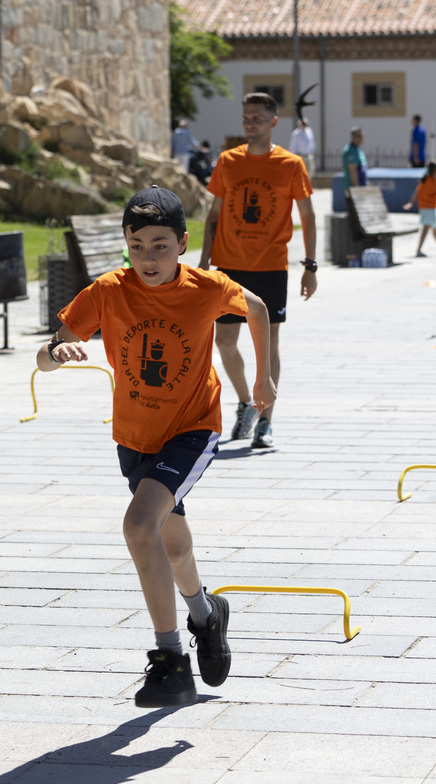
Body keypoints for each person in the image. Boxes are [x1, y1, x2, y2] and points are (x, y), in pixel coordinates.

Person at [40, 185, 276, 707]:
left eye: (161, 246)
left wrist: (262, 379)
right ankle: (206, 615)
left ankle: (170, 659)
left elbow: (256, 308)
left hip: (193, 427)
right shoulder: (107, 290)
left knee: (138, 524)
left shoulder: (206, 287)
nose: (148, 258)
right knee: (172, 542)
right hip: (134, 435)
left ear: (183, 243)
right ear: (126, 242)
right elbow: (44, 353)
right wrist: (58, 353)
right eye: (138, 244)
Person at [198, 92, 317, 449]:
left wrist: (310, 266)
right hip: (229, 265)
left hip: (270, 267)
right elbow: (214, 215)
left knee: (269, 345)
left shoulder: (290, 164)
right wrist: (203, 261)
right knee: (225, 341)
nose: (250, 123)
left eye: (257, 118)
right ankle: (246, 403)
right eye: (246, 117)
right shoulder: (227, 161)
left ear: (273, 122)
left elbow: (308, 217)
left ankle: (266, 421)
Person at [402, 162, 436, 257]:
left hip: (425, 207)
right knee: (426, 229)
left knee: (434, 229)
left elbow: (417, 191)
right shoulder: (434, 181)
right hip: (429, 208)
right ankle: (419, 250)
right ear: (435, 171)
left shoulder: (425, 180)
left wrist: (411, 202)